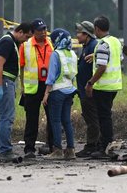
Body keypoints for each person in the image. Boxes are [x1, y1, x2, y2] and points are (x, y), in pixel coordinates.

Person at [0, 23, 33, 161]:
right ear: (20, 32)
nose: (26, 40)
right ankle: (5, 151)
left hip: (7, 81)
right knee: (6, 117)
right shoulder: (7, 42)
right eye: (26, 36)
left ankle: (5, 149)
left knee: (6, 116)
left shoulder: (11, 42)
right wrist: (0, 86)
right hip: (4, 81)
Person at [85, 16, 123, 158]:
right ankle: (106, 144)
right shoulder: (115, 42)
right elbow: (115, 58)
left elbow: (102, 67)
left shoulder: (102, 44)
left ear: (96, 29)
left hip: (103, 87)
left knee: (104, 117)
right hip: (114, 86)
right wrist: (95, 55)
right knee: (106, 116)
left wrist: (90, 83)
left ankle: (105, 147)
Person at [20, 18, 54, 158]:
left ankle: (52, 146)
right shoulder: (25, 46)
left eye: (45, 29)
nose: (43, 32)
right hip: (32, 86)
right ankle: (29, 148)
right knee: (32, 119)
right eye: (40, 30)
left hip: (48, 85)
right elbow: (21, 67)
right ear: (33, 32)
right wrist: (22, 86)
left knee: (52, 117)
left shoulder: (51, 44)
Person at [42, 29, 78, 160]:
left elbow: (51, 77)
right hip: (70, 90)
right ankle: (71, 150)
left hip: (57, 91)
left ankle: (57, 150)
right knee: (67, 121)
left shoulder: (56, 54)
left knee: (55, 121)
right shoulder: (73, 54)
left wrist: (46, 93)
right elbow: (74, 74)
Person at [74, 21, 100, 157]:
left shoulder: (93, 47)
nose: (77, 36)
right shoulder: (86, 46)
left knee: (92, 118)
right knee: (90, 117)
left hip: (89, 89)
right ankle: (94, 144)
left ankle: (92, 146)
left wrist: (89, 85)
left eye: (79, 33)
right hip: (84, 89)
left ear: (86, 34)